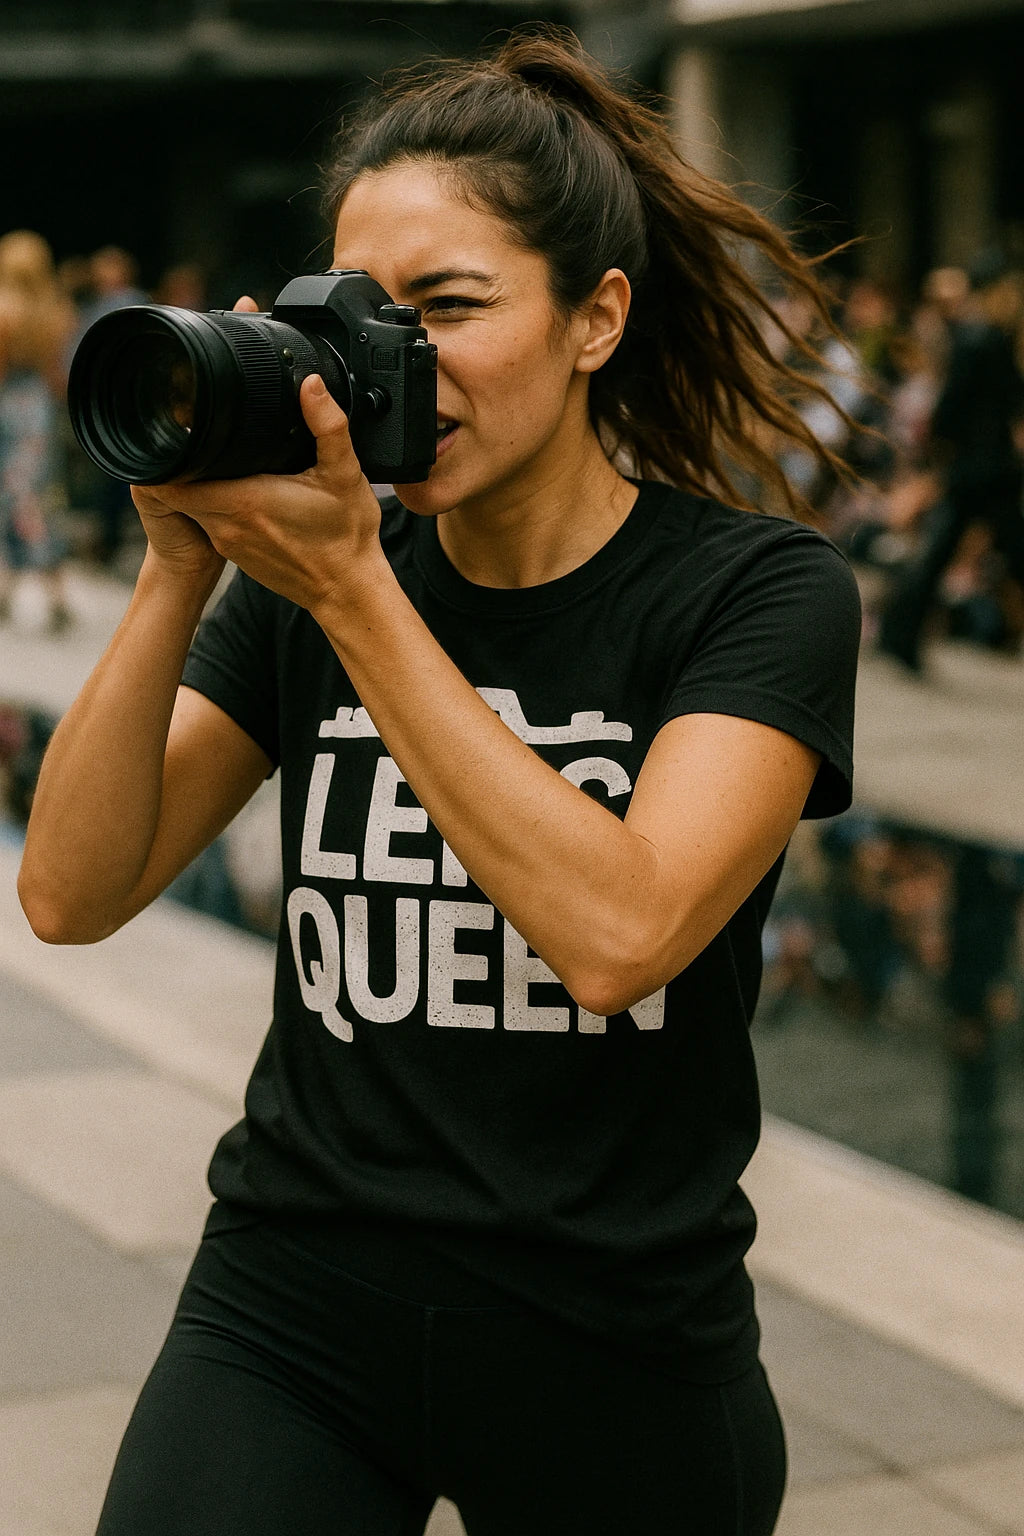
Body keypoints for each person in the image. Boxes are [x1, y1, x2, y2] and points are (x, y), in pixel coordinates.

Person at [19, 30, 860, 1536]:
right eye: (360, 314)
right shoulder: (323, 585)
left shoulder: (754, 594)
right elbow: (71, 894)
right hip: (294, 1297)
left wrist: (354, 593)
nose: (391, 361)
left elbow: (622, 935)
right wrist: (173, 569)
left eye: (452, 308)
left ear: (595, 317)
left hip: (611, 1338)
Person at [878, 248, 1024, 672]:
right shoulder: (985, 337)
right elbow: (955, 404)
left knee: (945, 549)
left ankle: (898, 634)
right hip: (985, 469)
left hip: (980, 467)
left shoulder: (984, 335)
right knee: (982, 548)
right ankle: (897, 634)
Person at [0, 229, 76, 632]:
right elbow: (56, 375)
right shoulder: (56, 310)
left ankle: (38, 593)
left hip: (10, 407)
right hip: (41, 410)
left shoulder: (3, 309)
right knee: (36, 497)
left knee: (18, 500)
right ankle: (31, 592)